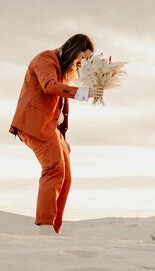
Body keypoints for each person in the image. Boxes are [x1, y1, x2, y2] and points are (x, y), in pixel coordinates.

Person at [9, 34, 103, 232]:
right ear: (73, 50)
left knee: (66, 177)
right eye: (82, 58)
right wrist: (84, 93)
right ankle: (45, 226)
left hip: (51, 127)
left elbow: (58, 107)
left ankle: (53, 229)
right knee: (54, 169)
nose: (81, 64)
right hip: (33, 123)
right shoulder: (45, 59)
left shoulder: (60, 69)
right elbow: (49, 87)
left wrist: (62, 138)